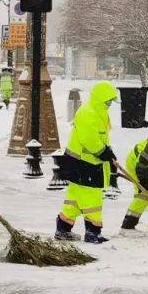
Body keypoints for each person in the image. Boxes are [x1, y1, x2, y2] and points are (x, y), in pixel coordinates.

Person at [55, 80, 119, 244]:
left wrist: (108, 153)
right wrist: (103, 152)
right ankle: (93, 232)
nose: (110, 104)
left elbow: (100, 137)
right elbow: (89, 139)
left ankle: (63, 228)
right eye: (108, 100)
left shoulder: (99, 112)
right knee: (92, 198)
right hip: (83, 163)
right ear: (100, 98)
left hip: (86, 162)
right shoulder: (88, 112)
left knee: (74, 198)